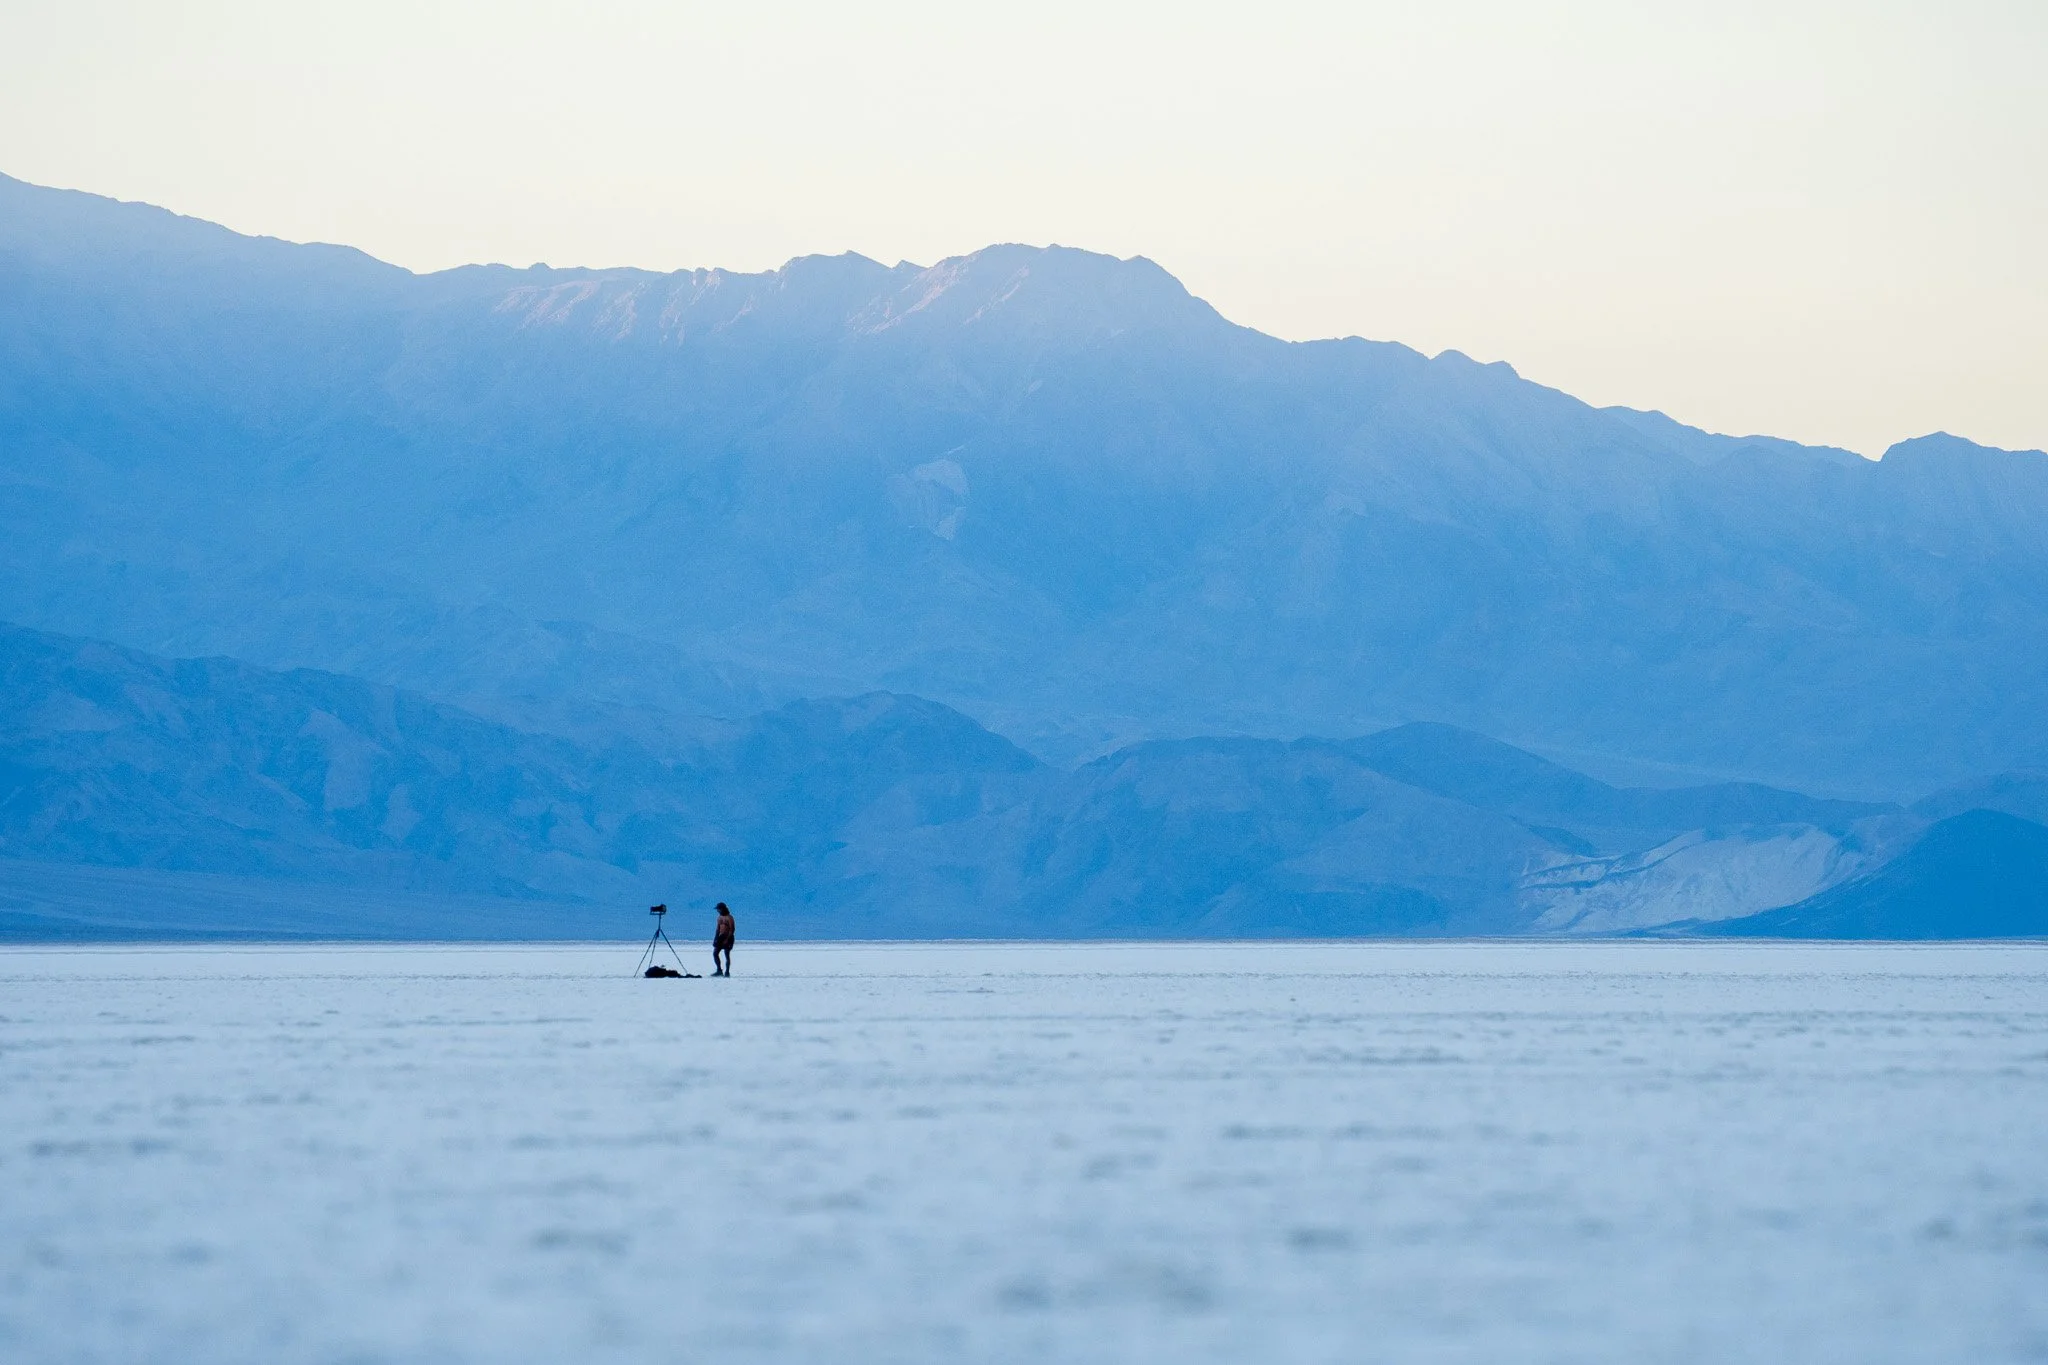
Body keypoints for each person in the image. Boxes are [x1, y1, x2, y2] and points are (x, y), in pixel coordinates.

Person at [712, 902, 736, 977]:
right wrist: (715, 938)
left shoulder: (729, 917)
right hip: (721, 936)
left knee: (726, 954)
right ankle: (719, 970)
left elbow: (732, 929)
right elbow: (718, 929)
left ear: (722, 909)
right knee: (715, 953)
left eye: (718, 909)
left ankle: (727, 971)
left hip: (728, 936)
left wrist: (727, 939)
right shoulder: (719, 918)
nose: (718, 911)